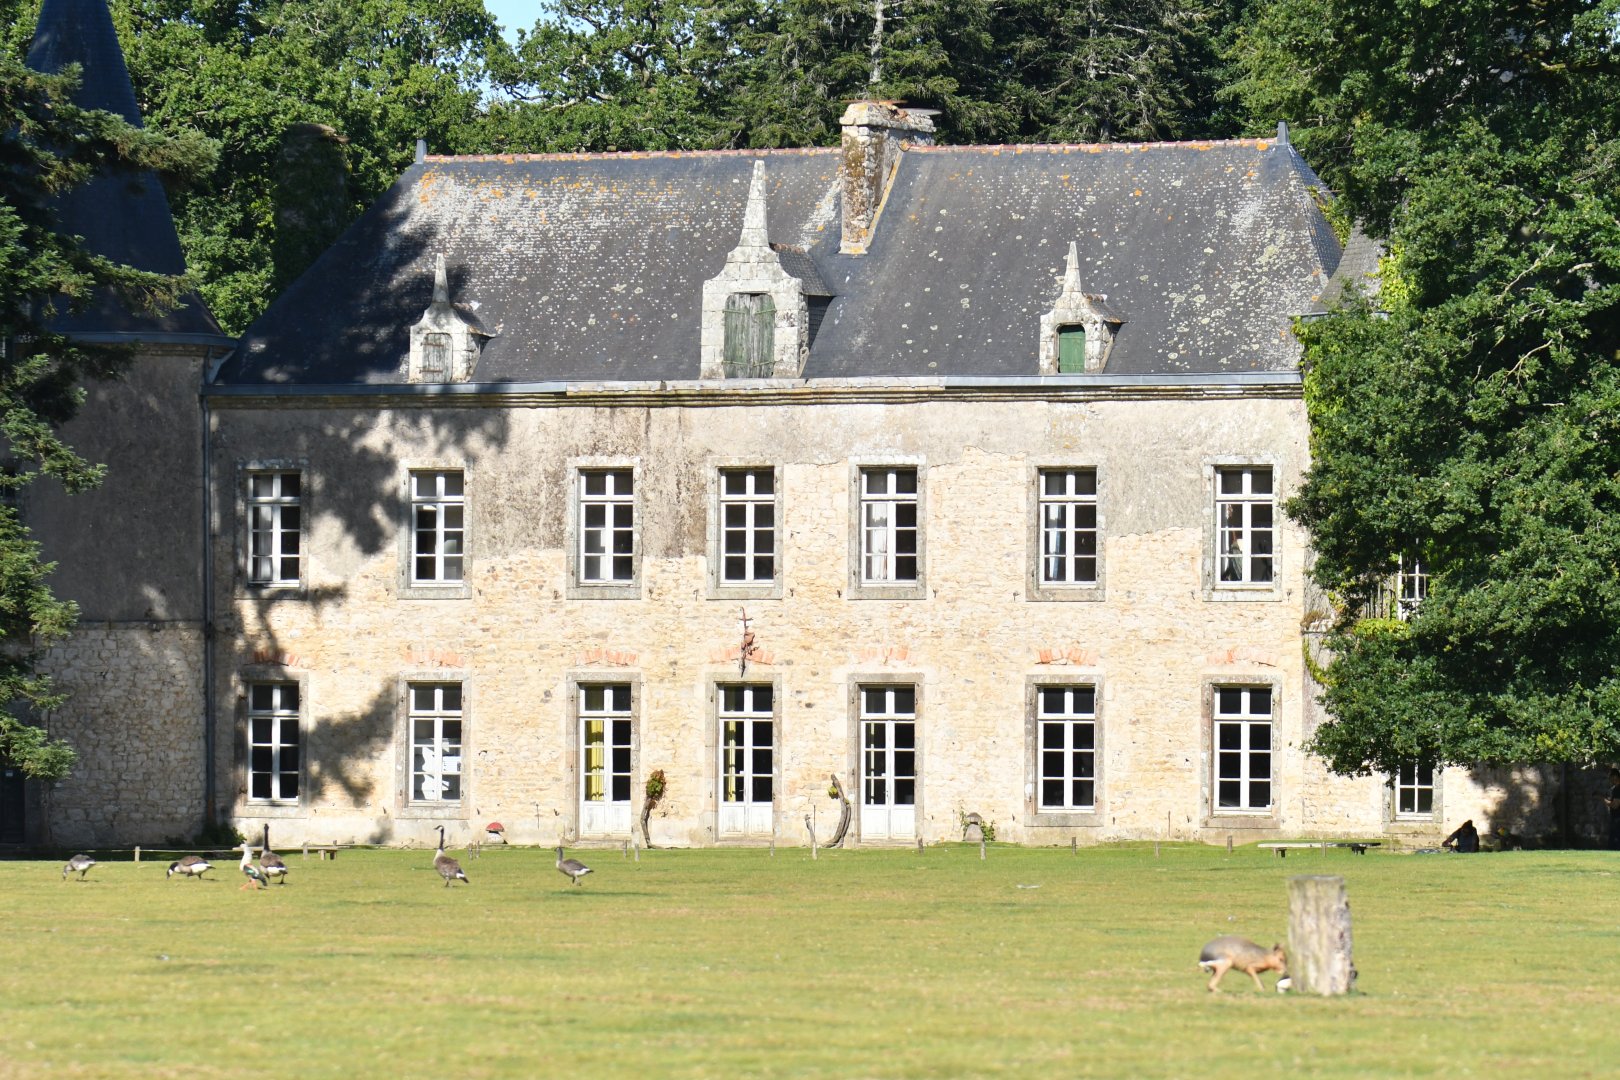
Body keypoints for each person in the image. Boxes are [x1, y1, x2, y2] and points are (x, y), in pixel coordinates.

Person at [1602, 768, 1620, 850]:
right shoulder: (1615, 789)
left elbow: (1615, 805)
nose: (1610, 779)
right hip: (1616, 818)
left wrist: (1602, 799)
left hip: (1617, 819)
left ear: (1615, 776)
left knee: (1615, 843)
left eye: (1610, 777)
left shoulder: (1617, 789)